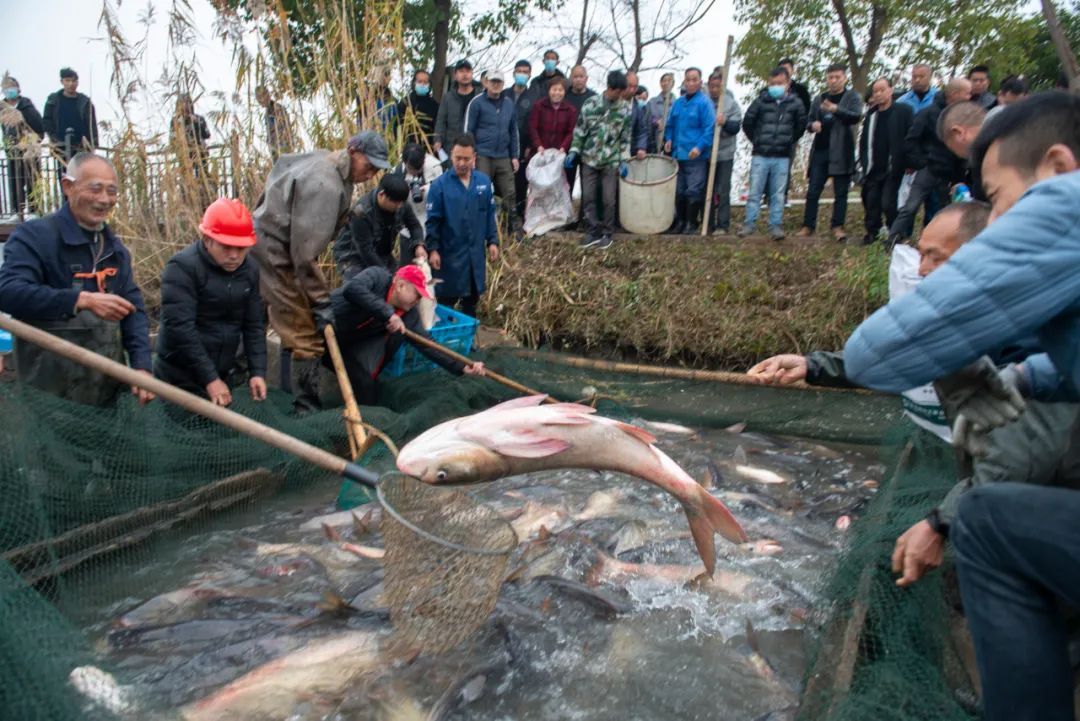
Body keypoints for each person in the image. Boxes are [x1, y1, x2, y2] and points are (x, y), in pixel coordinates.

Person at [839, 91, 1080, 721]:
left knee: (988, 521)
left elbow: (876, 357)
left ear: (1057, 168)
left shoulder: (1069, 209)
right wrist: (1027, 377)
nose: (994, 222)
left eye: (997, 198)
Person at [747, 199, 1078, 586]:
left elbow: (1019, 458)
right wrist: (813, 366)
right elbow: (908, 354)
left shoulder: (1030, 331)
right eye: (920, 255)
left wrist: (940, 523)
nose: (920, 270)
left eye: (934, 257)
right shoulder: (972, 314)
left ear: (978, 257)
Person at [252, 130, 389, 413]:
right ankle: (306, 409)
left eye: (377, 169)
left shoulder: (326, 161)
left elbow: (282, 165)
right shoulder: (326, 184)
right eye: (369, 165)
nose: (372, 174)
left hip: (266, 240)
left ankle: (243, 381)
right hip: (276, 250)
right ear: (353, 151)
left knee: (252, 315)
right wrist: (321, 301)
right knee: (305, 331)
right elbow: (304, 255)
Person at [0, 153, 153, 407]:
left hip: (106, 394)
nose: (104, 199)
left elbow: (134, 312)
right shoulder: (34, 237)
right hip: (48, 396)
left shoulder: (114, 251)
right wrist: (79, 300)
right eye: (95, 188)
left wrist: (141, 366)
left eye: (111, 191)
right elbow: (8, 292)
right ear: (67, 186)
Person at [155, 198, 267, 406]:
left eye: (241, 249)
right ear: (208, 240)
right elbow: (180, 328)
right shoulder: (182, 268)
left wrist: (257, 371)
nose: (234, 256)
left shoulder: (250, 270)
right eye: (226, 247)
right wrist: (210, 378)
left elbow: (253, 325)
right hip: (179, 374)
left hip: (222, 370)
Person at [322, 264, 487, 405]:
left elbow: (428, 344)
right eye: (417, 294)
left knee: (367, 387)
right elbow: (352, 289)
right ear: (400, 285)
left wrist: (461, 366)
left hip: (345, 347)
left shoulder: (409, 315)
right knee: (304, 374)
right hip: (321, 330)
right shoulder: (377, 276)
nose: (418, 301)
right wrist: (388, 313)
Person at [886, 77, 972, 248]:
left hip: (952, 174)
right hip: (929, 169)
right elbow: (911, 141)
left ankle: (939, 242)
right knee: (910, 207)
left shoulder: (964, 116)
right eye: (967, 93)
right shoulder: (928, 113)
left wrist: (962, 175)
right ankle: (892, 240)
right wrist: (921, 162)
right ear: (955, 94)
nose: (970, 97)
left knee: (945, 211)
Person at [424, 133, 499, 318]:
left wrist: (492, 241)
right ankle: (445, 339)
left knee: (471, 301)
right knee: (446, 302)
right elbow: (432, 221)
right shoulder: (439, 186)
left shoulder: (483, 182)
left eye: (466, 158)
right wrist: (433, 249)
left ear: (474, 157)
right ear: (451, 155)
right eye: (458, 158)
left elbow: (489, 214)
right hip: (448, 253)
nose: (462, 163)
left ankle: (469, 340)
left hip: (474, 254)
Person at [565, 71, 633, 250]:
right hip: (589, 158)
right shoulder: (591, 104)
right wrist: (574, 151)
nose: (619, 96)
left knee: (609, 199)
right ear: (609, 88)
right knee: (588, 197)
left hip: (611, 160)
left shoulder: (625, 109)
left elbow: (625, 137)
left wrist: (624, 159)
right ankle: (593, 230)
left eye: (621, 93)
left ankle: (607, 233)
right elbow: (580, 131)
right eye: (617, 92)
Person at [739, 67, 807, 240]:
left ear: (788, 83)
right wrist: (758, 140)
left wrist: (788, 141)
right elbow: (748, 122)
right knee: (755, 191)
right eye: (772, 83)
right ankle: (749, 223)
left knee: (778, 193)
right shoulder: (761, 101)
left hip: (782, 156)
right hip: (760, 154)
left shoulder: (796, 103)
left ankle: (775, 225)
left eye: (780, 83)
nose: (776, 86)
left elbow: (801, 125)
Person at [798, 63, 862, 241]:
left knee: (841, 192)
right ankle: (808, 225)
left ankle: (837, 226)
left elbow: (856, 116)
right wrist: (812, 125)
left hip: (841, 151)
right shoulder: (820, 99)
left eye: (837, 77)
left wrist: (836, 109)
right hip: (820, 150)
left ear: (844, 78)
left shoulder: (852, 97)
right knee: (813, 191)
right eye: (830, 77)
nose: (833, 81)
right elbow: (807, 121)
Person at [334, 173, 425, 279]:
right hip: (353, 256)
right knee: (363, 288)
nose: (399, 206)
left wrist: (419, 244)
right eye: (396, 203)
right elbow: (366, 250)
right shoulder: (361, 212)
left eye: (401, 202)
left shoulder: (400, 203)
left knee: (396, 285)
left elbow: (414, 226)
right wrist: (387, 275)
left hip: (382, 253)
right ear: (382, 195)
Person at [858, 77, 914, 245]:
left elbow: (911, 137)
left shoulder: (903, 111)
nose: (879, 94)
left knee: (888, 203)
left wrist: (910, 161)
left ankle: (895, 234)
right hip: (873, 167)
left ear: (890, 91)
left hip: (894, 168)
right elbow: (864, 140)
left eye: (882, 90)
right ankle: (872, 233)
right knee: (870, 201)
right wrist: (863, 161)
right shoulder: (871, 114)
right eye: (876, 91)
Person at [663, 68, 715, 234]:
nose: (691, 83)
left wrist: (699, 147)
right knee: (679, 190)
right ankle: (680, 221)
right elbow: (670, 125)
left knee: (694, 189)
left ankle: (691, 223)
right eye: (688, 80)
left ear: (700, 82)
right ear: (684, 82)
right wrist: (668, 139)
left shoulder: (704, 103)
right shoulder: (678, 103)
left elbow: (709, 129)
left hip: (695, 156)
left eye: (694, 80)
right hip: (679, 155)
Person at [466, 70, 519, 227]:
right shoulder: (476, 103)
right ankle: (478, 225)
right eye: (493, 81)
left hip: (503, 155)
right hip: (482, 154)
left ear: (503, 84)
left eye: (499, 82)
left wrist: (514, 156)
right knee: (481, 191)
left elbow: (513, 132)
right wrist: (470, 155)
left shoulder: (509, 104)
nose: (496, 85)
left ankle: (512, 228)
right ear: (486, 82)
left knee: (510, 192)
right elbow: (468, 131)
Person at [1, 74, 44, 216]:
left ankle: (34, 210)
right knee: (14, 183)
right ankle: (16, 211)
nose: (9, 91)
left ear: (18, 89)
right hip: (13, 152)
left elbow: (39, 127)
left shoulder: (27, 106)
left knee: (32, 181)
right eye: (6, 89)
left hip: (30, 150)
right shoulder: (2, 108)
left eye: (12, 88)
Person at [706, 70, 742, 235]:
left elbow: (735, 127)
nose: (714, 90)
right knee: (707, 189)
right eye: (712, 86)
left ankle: (722, 224)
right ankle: (707, 223)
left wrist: (725, 122)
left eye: (717, 86)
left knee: (722, 189)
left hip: (725, 153)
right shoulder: (703, 102)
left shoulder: (730, 103)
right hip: (705, 153)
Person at [528, 77, 578, 181]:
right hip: (541, 153)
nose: (557, 93)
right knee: (540, 184)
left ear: (564, 92)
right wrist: (538, 145)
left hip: (559, 154)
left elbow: (571, 132)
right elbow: (533, 127)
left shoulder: (570, 110)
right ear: (549, 91)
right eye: (554, 89)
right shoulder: (539, 106)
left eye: (560, 90)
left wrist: (563, 147)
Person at [42, 68, 98, 160]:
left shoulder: (85, 102)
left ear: (77, 82)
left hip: (81, 146)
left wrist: (93, 144)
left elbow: (92, 125)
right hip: (60, 146)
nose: (71, 84)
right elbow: (47, 121)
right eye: (67, 81)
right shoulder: (53, 100)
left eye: (74, 81)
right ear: (62, 81)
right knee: (63, 172)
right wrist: (54, 139)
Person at [506, 60, 536, 224]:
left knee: (521, 182)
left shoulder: (533, 97)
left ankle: (519, 214)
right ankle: (504, 213)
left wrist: (530, 145)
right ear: (513, 73)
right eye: (519, 71)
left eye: (525, 71)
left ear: (530, 75)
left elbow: (534, 123)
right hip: (503, 146)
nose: (522, 74)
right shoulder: (504, 94)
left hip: (524, 146)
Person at [434, 60, 481, 158]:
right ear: (455, 75)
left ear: (472, 74)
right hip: (453, 146)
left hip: (477, 147)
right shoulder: (448, 97)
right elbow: (441, 121)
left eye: (467, 71)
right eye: (461, 71)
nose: (465, 74)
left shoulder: (480, 96)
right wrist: (438, 140)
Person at [393, 142, 443, 228]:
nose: (415, 172)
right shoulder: (397, 172)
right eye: (412, 169)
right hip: (407, 227)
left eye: (419, 168)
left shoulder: (435, 167)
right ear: (404, 163)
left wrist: (428, 190)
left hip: (431, 222)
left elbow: (443, 193)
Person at [170, 93, 211, 193]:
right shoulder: (175, 121)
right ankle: (187, 194)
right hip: (185, 156)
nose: (185, 106)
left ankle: (203, 192)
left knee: (202, 178)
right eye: (182, 103)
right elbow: (172, 139)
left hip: (200, 154)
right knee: (186, 180)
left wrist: (196, 123)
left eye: (187, 103)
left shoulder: (199, 119)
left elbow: (207, 134)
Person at [397, 69, 440, 149]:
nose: (422, 84)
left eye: (425, 82)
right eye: (419, 82)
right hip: (408, 147)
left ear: (429, 84)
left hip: (428, 147)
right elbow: (398, 125)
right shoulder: (405, 103)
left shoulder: (434, 105)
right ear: (414, 83)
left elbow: (437, 127)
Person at [255, 85, 294, 159]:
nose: (260, 101)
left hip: (283, 149)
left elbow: (284, 130)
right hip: (276, 150)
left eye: (260, 98)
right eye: (258, 99)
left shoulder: (277, 109)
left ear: (267, 96)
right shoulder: (268, 112)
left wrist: (281, 147)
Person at [624, 71, 651, 158]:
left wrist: (641, 147)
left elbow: (642, 130)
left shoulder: (638, 108)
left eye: (635, 87)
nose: (632, 90)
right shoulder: (612, 102)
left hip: (627, 152)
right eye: (629, 86)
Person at [647, 72, 676, 153]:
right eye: (664, 81)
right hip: (654, 140)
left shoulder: (677, 103)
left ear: (673, 84)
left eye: (669, 81)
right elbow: (646, 119)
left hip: (671, 142)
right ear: (660, 83)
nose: (666, 83)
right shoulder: (652, 102)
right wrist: (656, 121)